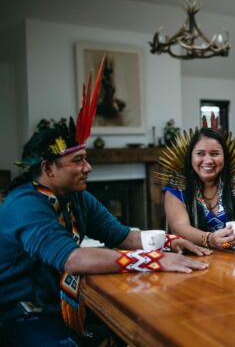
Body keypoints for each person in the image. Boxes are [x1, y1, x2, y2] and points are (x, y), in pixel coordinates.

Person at [0, 58, 210, 346]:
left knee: (150, 320)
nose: (88, 168)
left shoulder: (77, 197)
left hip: (63, 304)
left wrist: (170, 242)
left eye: (86, 159)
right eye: (78, 161)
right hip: (19, 313)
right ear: (48, 169)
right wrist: (153, 260)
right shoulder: (23, 203)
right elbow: (73, 259)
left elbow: (121, 236)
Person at [161, 118, 235, 250]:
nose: (208, 160)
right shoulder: (176, 189)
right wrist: (209, 239)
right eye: (200, 154)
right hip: (193, 258)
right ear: (191, 157)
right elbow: (179, 228)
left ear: (225, 157)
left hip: (234, 261)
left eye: (215, 154)